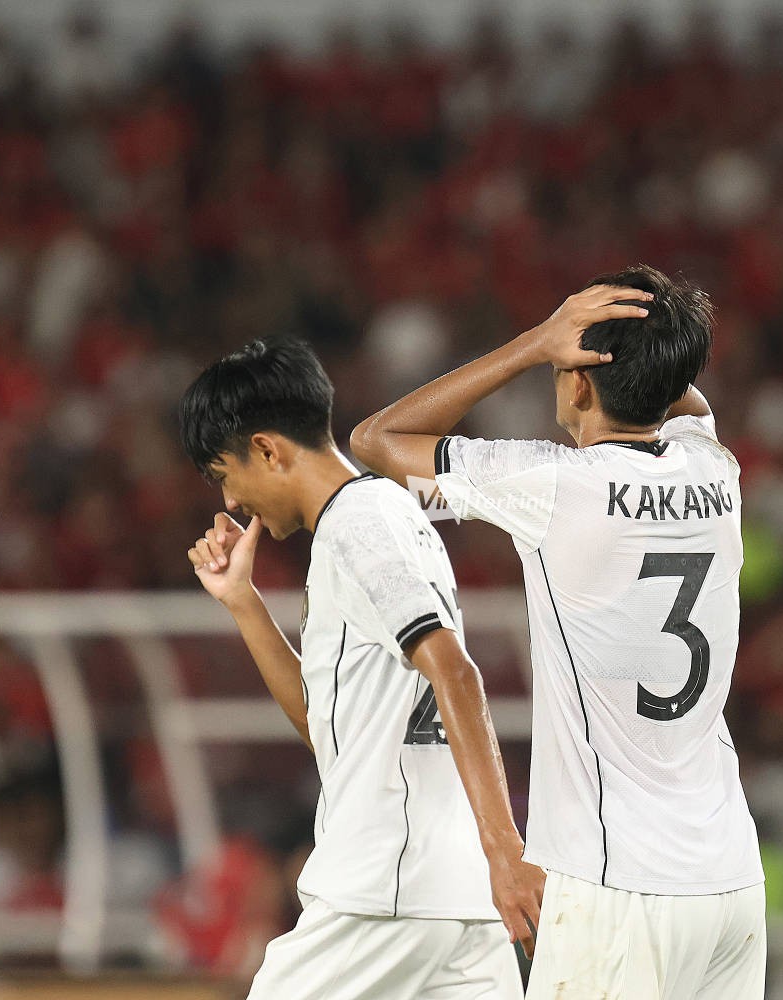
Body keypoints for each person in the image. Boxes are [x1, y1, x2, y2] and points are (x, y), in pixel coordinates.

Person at [352, 266, 766, 1000]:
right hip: (729, 879)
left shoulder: (550, 486)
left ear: (576, 383)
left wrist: (536, 342)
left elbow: (376, 439)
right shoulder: (714, 470)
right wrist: (649, 339)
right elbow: (685, 397)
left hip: (619, 884)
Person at [179, 339, 540, 999]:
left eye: (225, 474)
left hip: (385, 891)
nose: (231, 500)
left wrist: (506, 851)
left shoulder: (357, 528)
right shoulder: (390, 513)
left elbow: (455, 671)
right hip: (454, 899)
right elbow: (332, 731)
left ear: (267, 449)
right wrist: (244, 603)